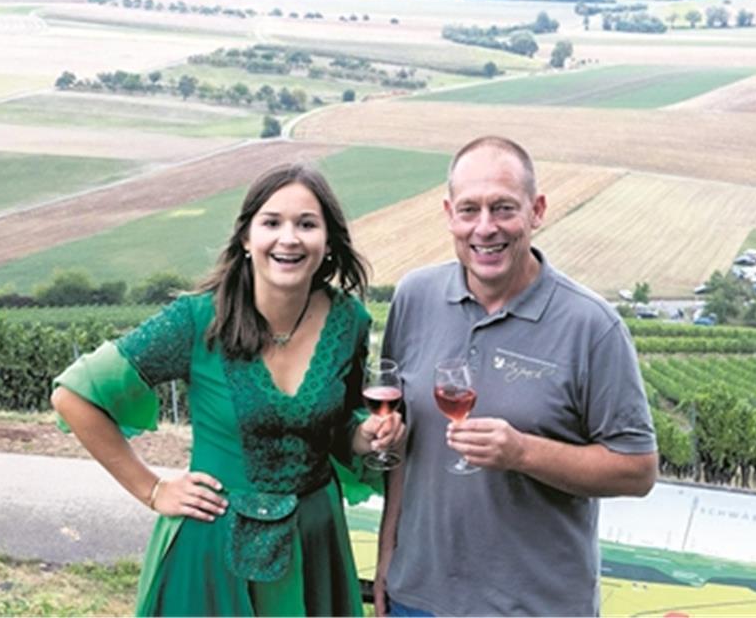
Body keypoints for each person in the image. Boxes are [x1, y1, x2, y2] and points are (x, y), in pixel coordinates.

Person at [52, 163, 403, 616]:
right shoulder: (195, 321)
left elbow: (339, 421)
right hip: (210, 547)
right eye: (272, 222)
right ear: (246, 238)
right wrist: (153, 489)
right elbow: (74, 396)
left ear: (329, 241)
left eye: (307, 224)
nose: (289, 238)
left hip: (316, 542)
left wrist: (364, 435)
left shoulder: (348, 321)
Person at [375, 136, 657, 616]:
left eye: (503, 208)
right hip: (418, 601)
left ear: (537, 211)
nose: (485, 228)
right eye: (469, 210)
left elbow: (638, 470)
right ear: (449, 215)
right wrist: (388, 558)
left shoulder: (591, 326)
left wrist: (523, 452)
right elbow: (408, 447)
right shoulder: (414, 297)